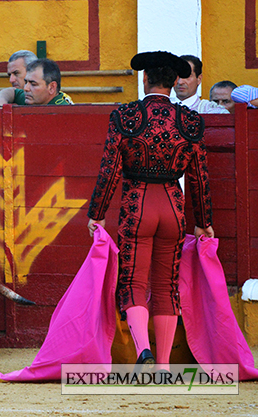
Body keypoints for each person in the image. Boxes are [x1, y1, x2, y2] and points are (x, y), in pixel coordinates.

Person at [87, 51, 214, 370]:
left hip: (137, 205)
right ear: (173, 83)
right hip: (173, 205)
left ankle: (143, 348)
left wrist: (97, 212)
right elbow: (199, 176)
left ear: (145, 80)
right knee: (166, 284)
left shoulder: (125, 116)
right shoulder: (190, 120)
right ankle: (163, 365)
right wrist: (204, 222)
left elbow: (109, 169)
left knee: (133, 281)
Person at [0, 58, 73, 105]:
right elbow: (10, 92)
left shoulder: (63, 111)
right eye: (26, 82)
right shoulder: (33, 98)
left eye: (33, 84)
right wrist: (1, 102)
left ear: (51, 88)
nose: (26, 88)